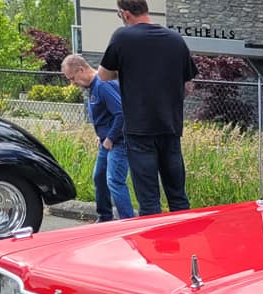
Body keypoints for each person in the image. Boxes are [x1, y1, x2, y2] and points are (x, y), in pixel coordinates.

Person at [97, 0, 197, 216]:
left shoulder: (122, 37)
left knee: (149, 201)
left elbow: (103, 76)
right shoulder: (176, 40)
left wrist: (125, 71)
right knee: (178, 197)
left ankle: (155, 239)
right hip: (170, 129)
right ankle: (185, 236)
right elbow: (188, 86)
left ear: (125, 14)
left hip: (139, 131)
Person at [61, 54, 134, 222]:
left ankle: (127, 221)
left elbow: (121, 114)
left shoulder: (102, 85)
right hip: (106, 141)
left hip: (118, 142)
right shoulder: (93, 87)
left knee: (114, 181)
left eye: (72, 78)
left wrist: (110, 138)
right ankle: (105, 217)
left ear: (81, 70)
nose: (72, 83)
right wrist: (102, 136)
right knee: (99, 177)